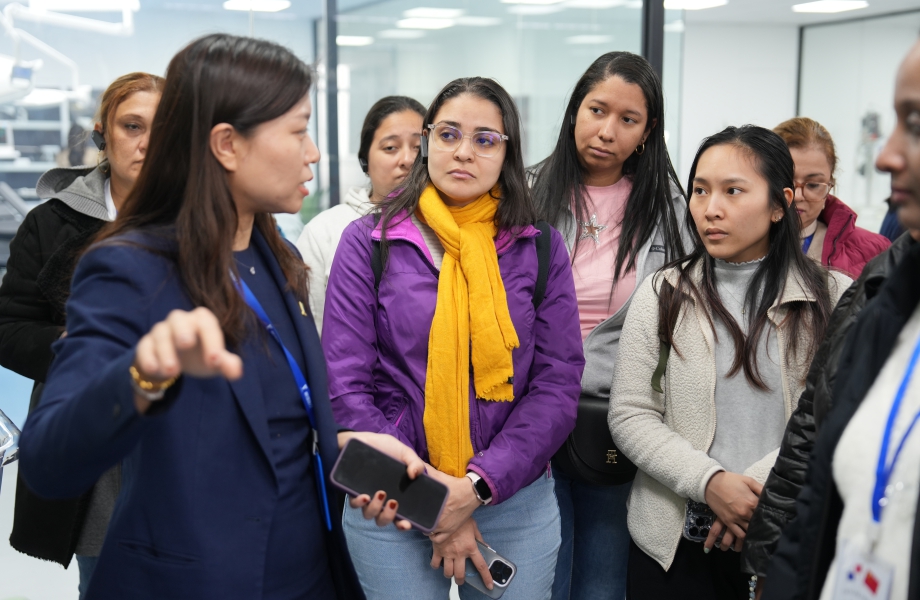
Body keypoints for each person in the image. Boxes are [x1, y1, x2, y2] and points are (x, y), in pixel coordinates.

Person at [17, 34, 425, 600]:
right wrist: (142, 374)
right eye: (298, 130)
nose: (312, 153)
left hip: (308, 572)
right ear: (227, 145)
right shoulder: (129, 267)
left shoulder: (274, 254)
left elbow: (285, 422)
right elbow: (49, 462)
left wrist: (360, 453)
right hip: (196, 581)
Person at [323, 76, 584, 599]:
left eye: (485, 139)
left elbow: (556, 385)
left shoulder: (540, 247)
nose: (464, 152)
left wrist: (476, 488)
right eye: (448, 134)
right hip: (393, 495)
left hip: (513, 497)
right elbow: (346, 386)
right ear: (426, 141)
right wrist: (433, 501)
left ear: (507, 152)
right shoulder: (368, 240)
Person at [609, 125, 851, 599]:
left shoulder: (832, 296)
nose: (710, 208)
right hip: (673, 545)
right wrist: (710, 483)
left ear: (780, 204)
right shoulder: (664, 291)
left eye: (733, 191)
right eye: (700, 190)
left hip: (786, 532)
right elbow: (630, 413)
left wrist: (753, 492)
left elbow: (836, 415)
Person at [529, 50, 690, 600]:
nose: (607, 131)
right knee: (542, 580)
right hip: (530, 414)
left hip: (619, 417)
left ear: (647, 132)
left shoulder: (670, 210)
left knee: (602, 583)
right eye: (597, 110)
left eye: (628, 119)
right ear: (575, 109)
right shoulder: (525, 193)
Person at [763, 37, 920, 600]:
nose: (885, 155)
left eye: (914, 124)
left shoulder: (870, 265)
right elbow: (817, 440)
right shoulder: (893, 293)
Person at [0, 71, 163, 597]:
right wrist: (75, 348)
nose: (147, 143)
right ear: (102, 135)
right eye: (132, 126)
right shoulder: (52, 224)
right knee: (105, 579)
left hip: (184, 432)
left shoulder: (209, 222)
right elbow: (9, 326)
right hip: (94, 435)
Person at [296, 95, 425, 334]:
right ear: (365, 160)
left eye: (418, 147)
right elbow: (312, 330)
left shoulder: (447, 228)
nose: (408, 160)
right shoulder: (325, 231)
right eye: (390, 147)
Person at [773, 117, 890, 278]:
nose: (797, 196)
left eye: (813, 185)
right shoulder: (739, 245)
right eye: (786, 182)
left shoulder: (875, 252)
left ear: (829, 187)